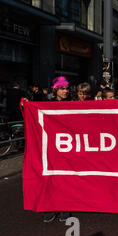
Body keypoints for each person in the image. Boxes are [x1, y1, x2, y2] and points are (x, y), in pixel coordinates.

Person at [44, 76, 72, 222]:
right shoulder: (47, 104)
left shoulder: (73, 104)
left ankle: (64, 207)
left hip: (68, 147)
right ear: (55, 90)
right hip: (50, 146)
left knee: (65, 177)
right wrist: (27, 105)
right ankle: (49, 206)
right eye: (62, 88)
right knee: (49, 177)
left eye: (67, 88)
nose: (65, 91)